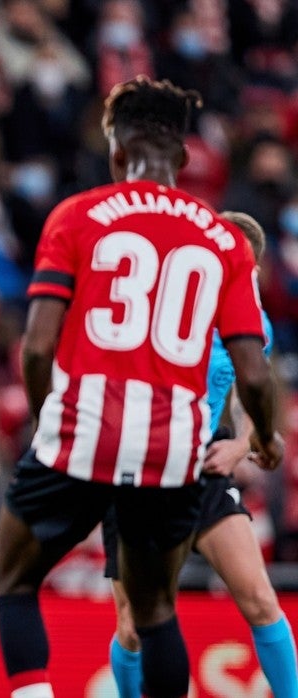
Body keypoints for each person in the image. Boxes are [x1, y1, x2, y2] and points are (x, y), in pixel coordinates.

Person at [0, 76, 281, 698]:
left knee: (16, 583)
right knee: (155, 615)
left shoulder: (78, 215)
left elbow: (38, 344)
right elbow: (255, 371)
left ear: (117, 154)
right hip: (176, 447)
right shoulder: (225, 239)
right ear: (183, 159)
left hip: (85, 430)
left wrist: (48, 419)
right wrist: (269, 443)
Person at [105, 211, 297, 698]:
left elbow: (256, 394)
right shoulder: (153, 309)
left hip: (205, 469)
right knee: (133, 621)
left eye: (250, 272)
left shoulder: (255, 323)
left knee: (259, 598)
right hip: (139, 469)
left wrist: (240, 445)